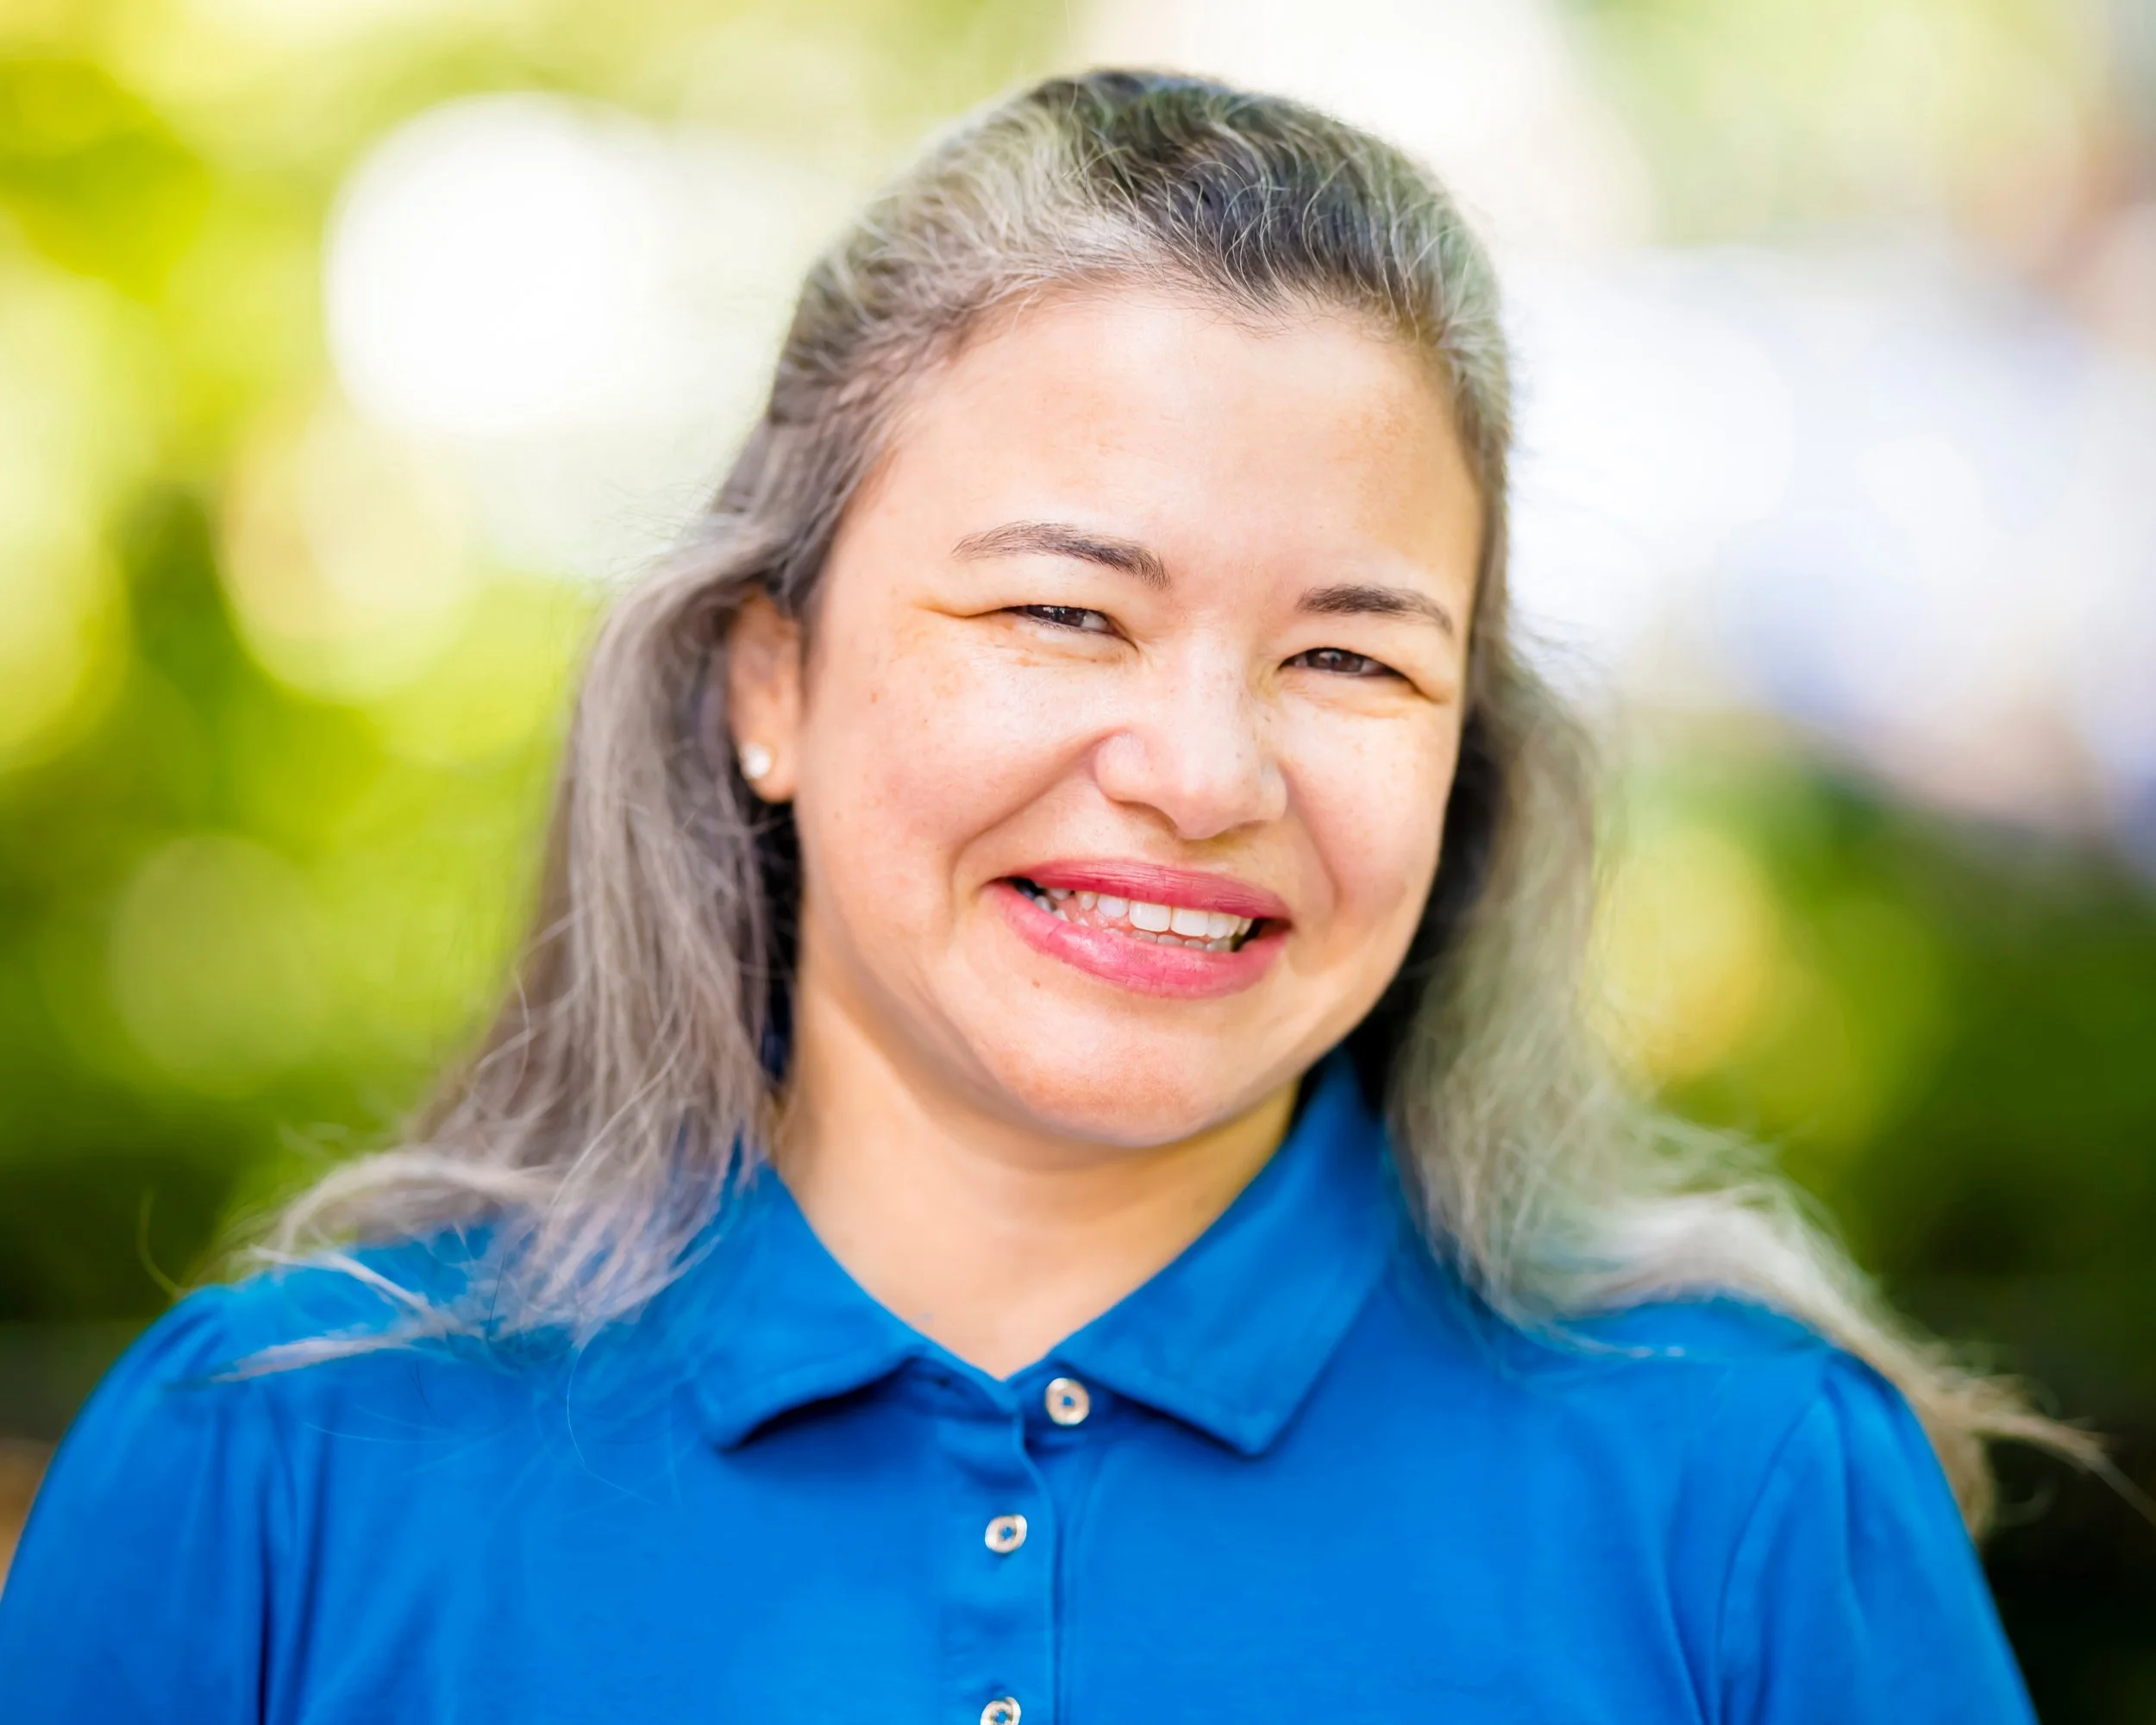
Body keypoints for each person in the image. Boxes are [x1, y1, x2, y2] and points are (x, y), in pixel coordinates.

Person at [0, 69, 2078, 1722]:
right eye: (1064, 611)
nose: (1200, 770)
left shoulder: (1748, 1498)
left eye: (1349, 656)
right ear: (769, 678)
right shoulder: (267, 1473)